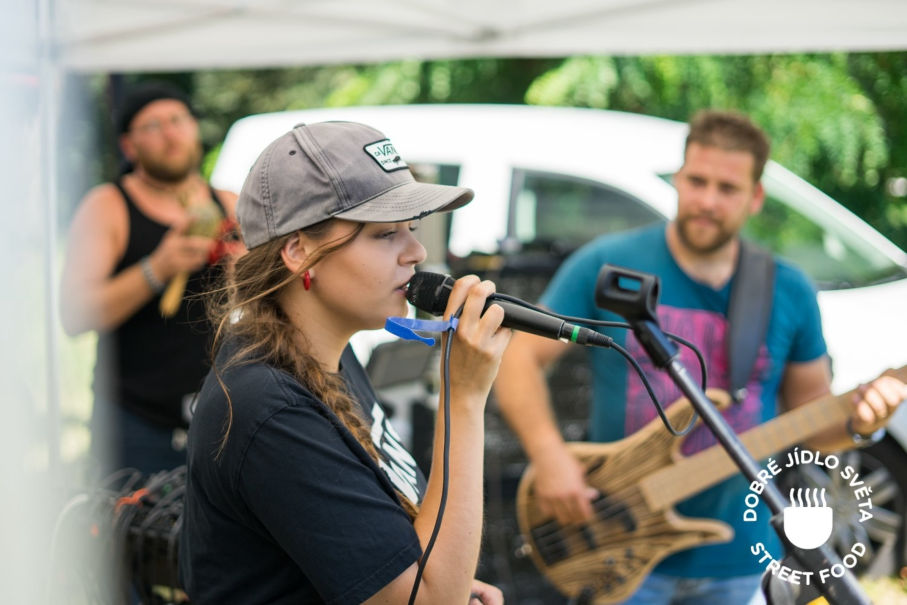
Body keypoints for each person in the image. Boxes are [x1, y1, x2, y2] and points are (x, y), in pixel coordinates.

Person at [493, 109, 907, 604]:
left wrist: (863, 422)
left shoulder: (788, 289)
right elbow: (519, 360)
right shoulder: (609, 265)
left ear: (755, 198)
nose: (707, 201)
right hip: (617, 546)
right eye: (697, 181)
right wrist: (550, 456)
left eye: (727, 188)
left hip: (741, 558)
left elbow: (810, 421)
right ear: (679, 179)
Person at [178, 121, 510, 604]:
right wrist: (464, 397)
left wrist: (452, 576)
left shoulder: (324, 355)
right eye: (385, 235)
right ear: (299, 251)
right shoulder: (268, 408)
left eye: (412, 230)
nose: (416, 253)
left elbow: (389, 549)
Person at [60, 81, 239, 475]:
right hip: (136, 419)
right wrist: (157, 268)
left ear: (194, 127)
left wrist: (243, 273)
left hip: (219, 412)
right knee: (139, 534)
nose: (170, 134)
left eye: (177, 120)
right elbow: (75, 316)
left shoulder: (228, 203)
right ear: (129, 146)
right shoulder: (107, 206)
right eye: (152, 126)